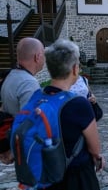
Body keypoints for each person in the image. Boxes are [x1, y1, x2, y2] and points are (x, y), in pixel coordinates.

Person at [40, 39, 104, 190]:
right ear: (75, 69)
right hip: (75, 176)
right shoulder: (78, 104)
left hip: (46, 174)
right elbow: (95, 149)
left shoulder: (37, 97)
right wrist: (97, 157)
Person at [0, 37, 45, 164]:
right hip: (26, 153)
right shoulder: (29, 83)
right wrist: (13, 153)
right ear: (37, 56)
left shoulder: (10, 76)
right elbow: (28, 124)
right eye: (44, 55)